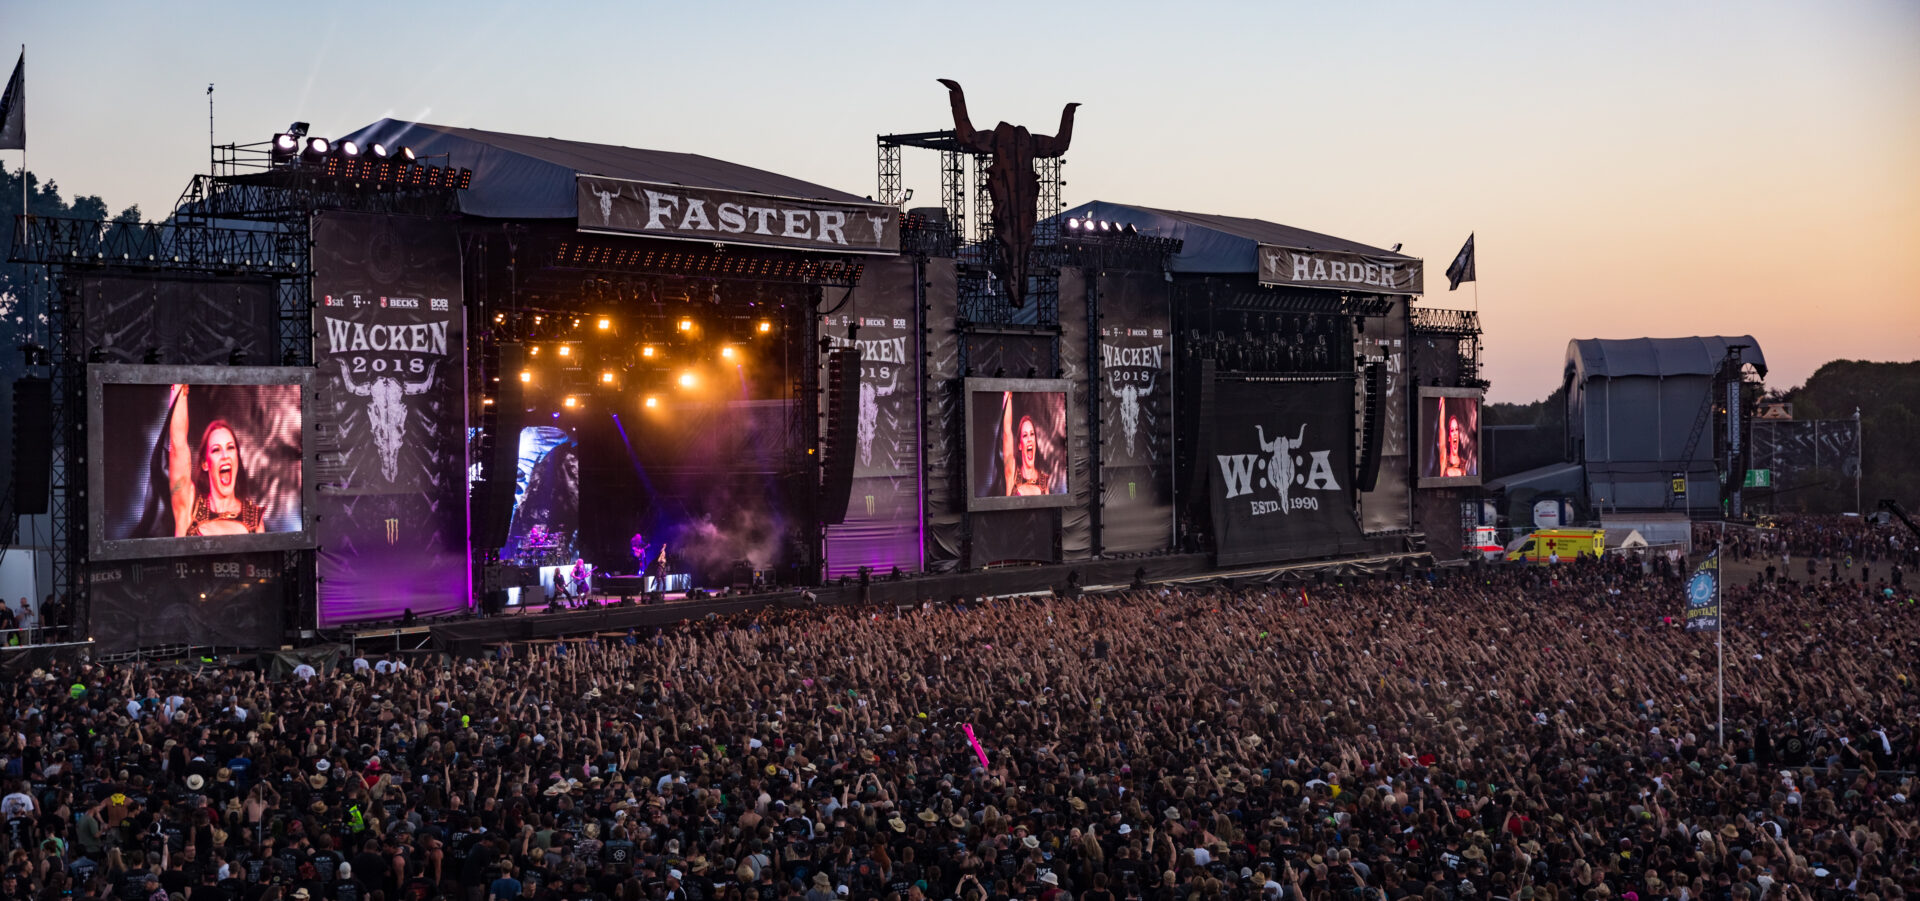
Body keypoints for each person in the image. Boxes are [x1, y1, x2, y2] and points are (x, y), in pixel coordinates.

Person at [166, 385, 264, 537]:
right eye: (216, 450)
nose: (225, 455)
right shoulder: (190, 505)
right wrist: (179, 381)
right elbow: (178, 444)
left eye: (230, 448)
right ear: (205, 463)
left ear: (237, 457)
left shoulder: (254, 518)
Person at [999, 393, 1064, 496]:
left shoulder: (1043, 480)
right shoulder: (1012, 473)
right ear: (1020, 445)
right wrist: (1008, 395)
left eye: (1032, 434)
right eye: (1025, 436)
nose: (1029, 439)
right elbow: (1007, 431)